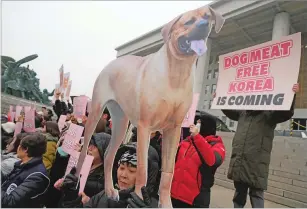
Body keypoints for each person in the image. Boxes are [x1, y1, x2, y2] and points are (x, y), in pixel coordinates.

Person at [217, 83, 299, 208]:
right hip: (240, 163)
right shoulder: (242, 113)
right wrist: (218, 98)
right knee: (239, 196)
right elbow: (228, 110)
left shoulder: (269, 114)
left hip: (256, 165)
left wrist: (291, 95)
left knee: (256, 196)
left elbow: (286, 113)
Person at [57, 142, 159, 208]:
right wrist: (72, 198)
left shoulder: (156, 206)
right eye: (122, 168)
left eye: (132, 171)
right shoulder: (105, 195)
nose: (123, 175)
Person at [171, 113, 225, 208]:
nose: (196, 126)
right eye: (196, 123)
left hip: (196, 200)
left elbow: (212, 161)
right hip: (175, 197)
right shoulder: (187, 142)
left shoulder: (217, 145)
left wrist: (197, 138)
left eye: (199, 124)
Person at [1, 134, 50, 208]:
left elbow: (11, 201)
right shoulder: (22, 164)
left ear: (26, 149)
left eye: (19, 145)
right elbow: (8, 181)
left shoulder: (37, 176)